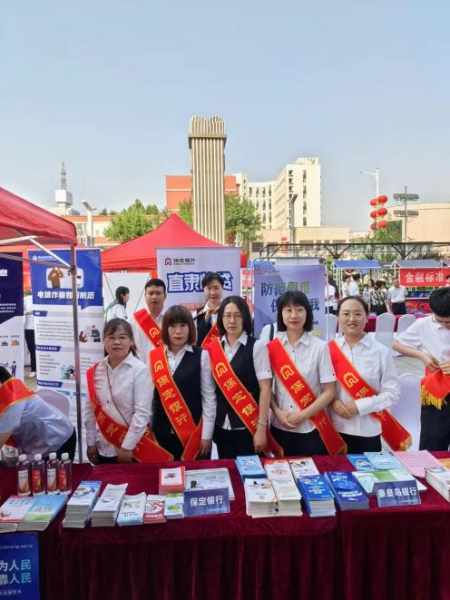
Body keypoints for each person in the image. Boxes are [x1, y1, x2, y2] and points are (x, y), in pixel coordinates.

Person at [267, 291, 344, 456]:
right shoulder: (271, 348)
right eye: (288, 310)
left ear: (307, 313)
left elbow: (329, 391)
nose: (294, 315)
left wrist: (303, 415)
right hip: (280, 427)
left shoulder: (320, 347)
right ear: (281, 314)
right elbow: (266, 389)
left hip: (312, 428)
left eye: (299, 309)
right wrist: (277, 412)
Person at [328, 297, 402, 453]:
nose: (352, 319)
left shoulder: (381, 352)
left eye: (357, 314)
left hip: (367, 431)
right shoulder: (327, 350)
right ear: (338, 317)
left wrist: (360, 406)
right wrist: (332, 401)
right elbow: (319, 387)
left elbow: (392, 393)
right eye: (346, 314)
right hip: (333, 429)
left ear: (367, 317)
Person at [206, 296, 274, 459]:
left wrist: (261, 428)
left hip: (248, 427)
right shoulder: (212, 348)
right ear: (221, 318)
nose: (232, 320)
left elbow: (265, 389)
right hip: (221, 426)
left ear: (245, 318)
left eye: (237, 315)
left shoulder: (257, 347)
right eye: (227, 315)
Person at [150, 306, 216, 460]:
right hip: (161, 434)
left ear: (190, 328)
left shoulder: (202, 356)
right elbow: (149, 400)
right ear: (165, 329)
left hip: (193, 435)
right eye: (172, 326)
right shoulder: (154, 357)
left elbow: (209, 399)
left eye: (183, 325)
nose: (178, 331)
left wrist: (206, 435)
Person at [85, 319, 154, 464]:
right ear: (103, 341)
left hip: (132, 449)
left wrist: (127, 447)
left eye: (122, 337)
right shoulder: (95, 371)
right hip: (102, 446)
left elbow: (142, 413)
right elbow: (90, 410)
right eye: (111, 337)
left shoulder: (140, 370)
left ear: (131, 341)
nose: (117, 342)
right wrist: (90, 442)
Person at [393, 288, 450, 450]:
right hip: (436, 391)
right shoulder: (423, 324)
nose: (446, 325)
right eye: (441, 322)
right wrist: (422, 355)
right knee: (433, 441)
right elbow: (396, 344)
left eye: (449, 322)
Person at [0, 366, 76, 460]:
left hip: (57, 440)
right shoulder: (8, 392)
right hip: (34, 443)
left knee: (51, 469)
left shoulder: (12, 402)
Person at [130, 279, 166, 366]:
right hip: (140, 370)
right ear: (145, 296)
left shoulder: (171, 319)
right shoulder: (133, 320)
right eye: (150, 293)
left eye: (158, 293)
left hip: (165, 370)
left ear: (165, 296)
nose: (154, 297)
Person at [194, 272, 224, 347]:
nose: (213, 293)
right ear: (203, 289)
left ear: (222, 288)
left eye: (216, 288)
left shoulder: (228, 312)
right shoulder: (196, 315)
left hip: (224, 354)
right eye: (209, 288)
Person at [24, 292, 36, 378]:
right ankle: (34, 369)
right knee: (32, 350)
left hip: (43, 328)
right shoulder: (26, 299)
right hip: (29, 328)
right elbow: (19, 310)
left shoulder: (43, 297)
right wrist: (27, 312)